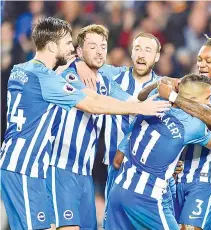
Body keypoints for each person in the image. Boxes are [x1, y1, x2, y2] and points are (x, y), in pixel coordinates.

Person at [0, 17, 169, 230]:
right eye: (88, 46)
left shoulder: (24, 70)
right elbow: (92, 103)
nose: (99, 51)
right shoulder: (63, 77)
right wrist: (76, 64)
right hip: (52, 167)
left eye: (103, 47)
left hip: (82, 172)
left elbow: (128, 100)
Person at [76, 32, 180, 227]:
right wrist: (81, 65)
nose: (141, 54)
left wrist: (177, 159)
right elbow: (83, 58)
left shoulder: (166, 89)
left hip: (151, 177)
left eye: (148, 50)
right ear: (131, 53)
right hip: (116, 167)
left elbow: (180, 129)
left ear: (157, 57)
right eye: (137, 49)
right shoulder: (111, 75)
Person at [144, 33, 211, 230]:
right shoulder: (189, 85)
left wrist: (172, 95)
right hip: (177, 175)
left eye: (208, 60)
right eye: (199, 60)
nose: (202, 65)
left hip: (205, 177)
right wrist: (159, 82)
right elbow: (141, 96)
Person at [105, 74, 211, 230]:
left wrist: (157, 85)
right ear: (192, 100)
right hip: (147, 197)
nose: (210, 103)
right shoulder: (192, 125)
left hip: (119, 189)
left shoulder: (156, 101)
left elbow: (140, 97)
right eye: (207, 99)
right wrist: (207, 120)